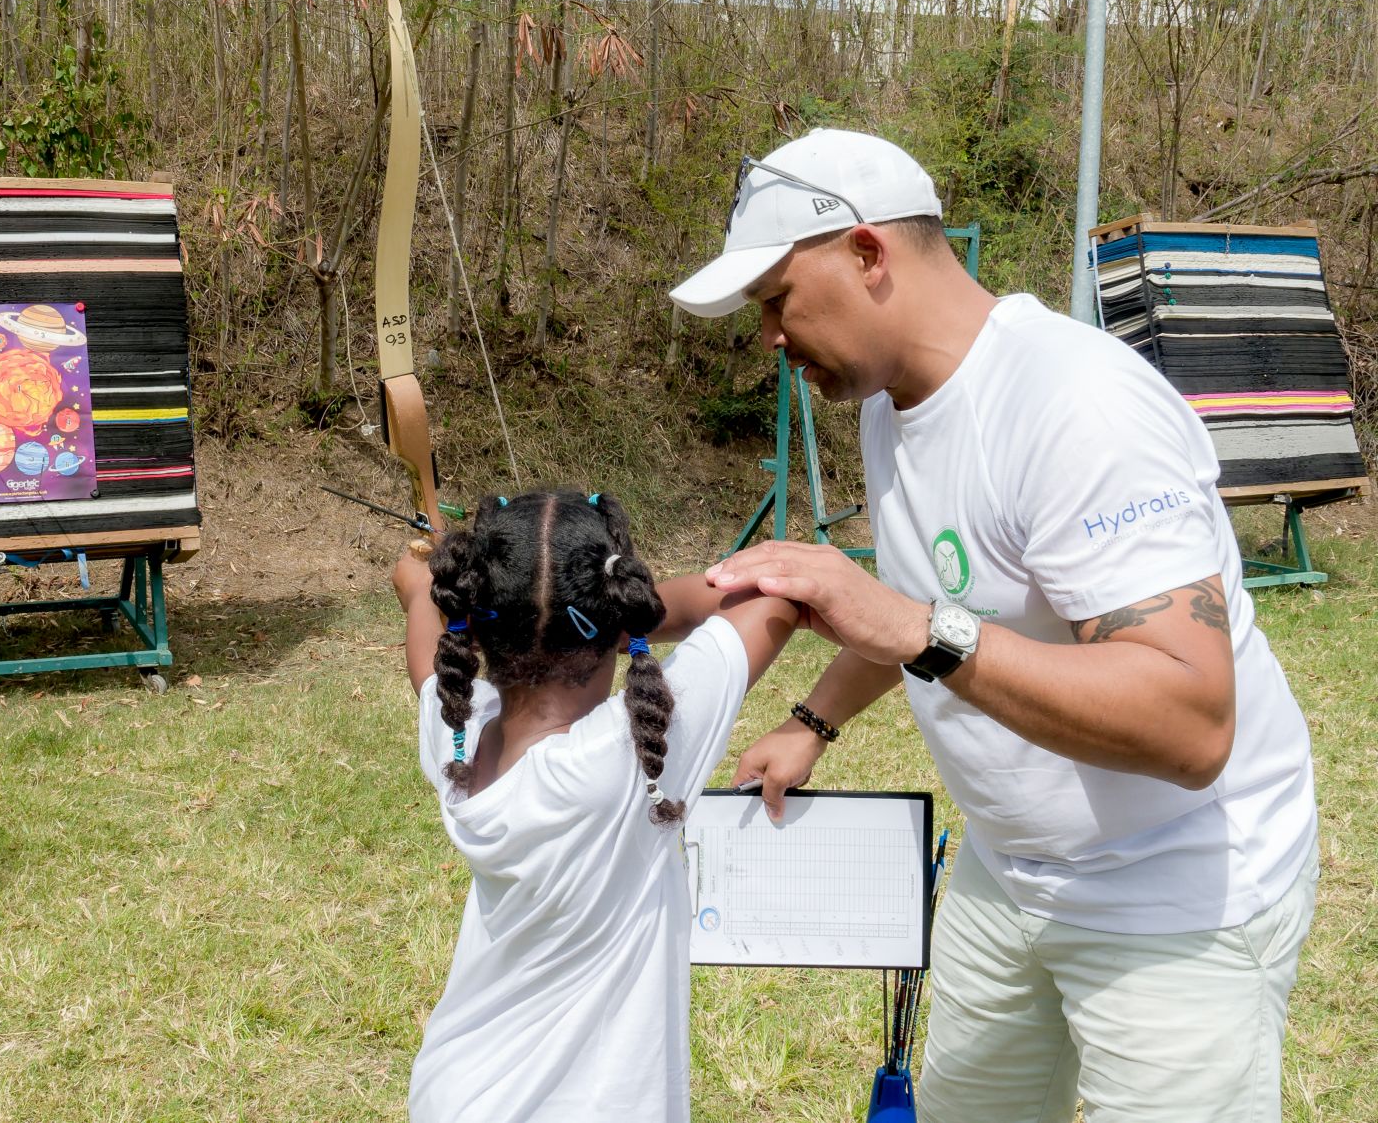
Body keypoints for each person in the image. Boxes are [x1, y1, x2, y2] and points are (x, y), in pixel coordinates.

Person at [668, 129, 1319, 1122]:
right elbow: (929, 589)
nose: (767, 334)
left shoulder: (1076, 406)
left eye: (775, 299)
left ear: (867, 253)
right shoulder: (896, 399)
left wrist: (923, 628)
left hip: (1174, 893)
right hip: (1009, 874)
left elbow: (1189, 726)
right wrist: (814, 719)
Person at [392, 490, 800, 1122]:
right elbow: (775, 591)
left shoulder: (455, 729)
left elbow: (421, 614)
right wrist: (637, 613)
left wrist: (423, 574)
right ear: (618, 618)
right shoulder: (621, 757)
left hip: (457, 1093)